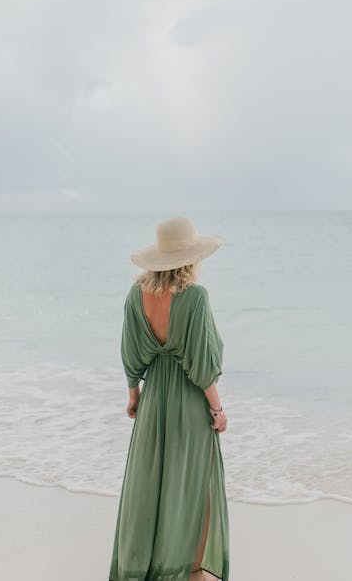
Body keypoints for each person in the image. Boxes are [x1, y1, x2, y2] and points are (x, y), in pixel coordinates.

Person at [108, 216, 230, 581]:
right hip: (190, 402)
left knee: (152, 485)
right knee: (197, 484)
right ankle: (193, 570)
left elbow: (131, 353)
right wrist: (217, 407)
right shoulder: (194, 297)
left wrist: (134, 394)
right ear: (191, 258)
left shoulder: (137, 295)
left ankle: (151, 568)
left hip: (153, 399)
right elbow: (202, 364)